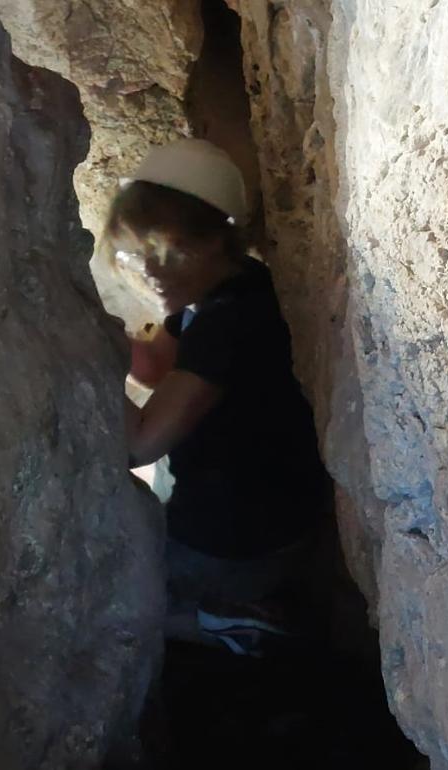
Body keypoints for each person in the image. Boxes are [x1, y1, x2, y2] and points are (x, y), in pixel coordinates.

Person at [108, 139, 327, 656]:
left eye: (167, 254)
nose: (153, 273)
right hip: (269, 519)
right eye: (143, 257)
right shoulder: (224, 289)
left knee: (109, 611)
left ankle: (232, 621)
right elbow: (155, 365)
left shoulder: (229, 323)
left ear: (212, 242)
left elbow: (139, 445)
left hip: (236, 544)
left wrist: (81, 363)